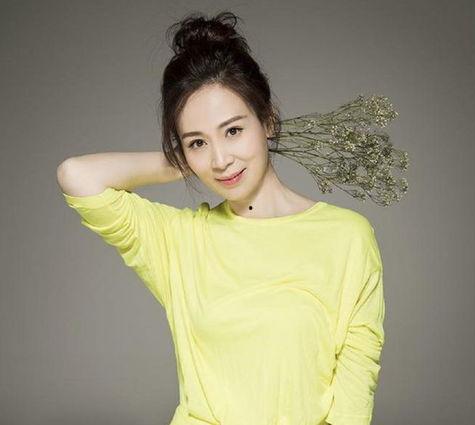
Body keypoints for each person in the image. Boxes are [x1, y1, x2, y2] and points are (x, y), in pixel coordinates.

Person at [57, 10, 386, 425]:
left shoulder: (346, 237)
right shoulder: (180, 240)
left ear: (267, 120)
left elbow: (355, 387)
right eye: (198, 142)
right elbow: (76, 176)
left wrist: (196, 150)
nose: (220, 160)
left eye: (232, 131)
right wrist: (182, 161)